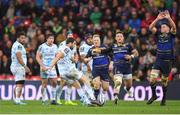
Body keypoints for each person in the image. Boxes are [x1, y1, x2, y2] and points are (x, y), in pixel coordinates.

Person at [49, 38, 99, 106]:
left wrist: (74, 60)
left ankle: (87, 102)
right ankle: (92, 98)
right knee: (86, 80)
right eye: (74, 43)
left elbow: (64, 57)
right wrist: (51, 66)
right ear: (70, 43)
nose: (74, 45)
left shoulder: (62, 49)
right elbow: (57, 57)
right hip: (70, 71)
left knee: (78, 86)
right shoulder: (66, 48)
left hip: (63, 74)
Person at [96, 31, 138, 104]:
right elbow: (105, 51)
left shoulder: (128, 46)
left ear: (123, 38)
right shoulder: (113, 46)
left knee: (129, 85)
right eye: (118, 36)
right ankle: (115, 96)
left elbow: (136, 53)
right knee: (118, 81)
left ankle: (127, 89)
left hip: (127, 67)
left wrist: (131, 56)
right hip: (117, 67)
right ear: (115, 38)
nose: (119, 38)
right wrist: (97, 50)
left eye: (120, 36)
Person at [147, 10, 176, 106]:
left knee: (164, 82)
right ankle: (154, 95)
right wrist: (157, 19)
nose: (161, 28)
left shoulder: (171, 35)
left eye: (164, 26)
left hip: (167, 62)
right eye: (161, 26)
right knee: (152, 79)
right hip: (158, 60)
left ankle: (163, 97)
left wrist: (169, 18)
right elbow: (150, 27)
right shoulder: (158, 35)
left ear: (168, 28)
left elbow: (174, 27)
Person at [84, 34, 110, 105]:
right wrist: (87, 59)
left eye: (97, 40)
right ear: (93, 41)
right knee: (96, 84)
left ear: (100, 41)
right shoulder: (91, 49)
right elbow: (85, 58)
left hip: (104, 69)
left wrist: (111, 63)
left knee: (105, 88)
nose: (96, 41)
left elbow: (110, 54)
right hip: (96, 69)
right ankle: (95, 99)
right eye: (94, 40)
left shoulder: (104, 47)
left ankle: (101, 96)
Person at [56, 31, 78, 105]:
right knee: (63, 82)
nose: (70, 37)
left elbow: (75, 53)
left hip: (71, 64)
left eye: (71, 36)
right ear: (66, 37)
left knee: (70, 82)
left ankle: (68, 100)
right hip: (63, 65)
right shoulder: (62, 44)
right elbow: (58, 54)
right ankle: (57, 98)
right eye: (69, 36)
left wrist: (76, 59)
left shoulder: (74, 44)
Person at [36, 34, 58, 105]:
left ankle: (53, 99)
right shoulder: (42, 46)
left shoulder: (55, 46)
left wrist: (54, 64)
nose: (51, 40)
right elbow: (37, 57)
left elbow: (57, 56)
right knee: (44, 83)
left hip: (52, 67)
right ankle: (44, 99)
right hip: (44, 67)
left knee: (54, 82)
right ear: (47, 39)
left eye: (53, 38)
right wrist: (42, 66)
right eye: (50, 38)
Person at [10, 31, 30, 105]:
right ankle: (18, 100)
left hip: (15, 66)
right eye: (22, 38)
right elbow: (18, 56)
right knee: (20, 84)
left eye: (24, 38)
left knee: (18, 83)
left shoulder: (15, 44)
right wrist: (25, 66)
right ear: (18, 38)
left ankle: (16, 99)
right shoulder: (19, 45)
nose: (23, 39)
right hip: (19, 67)